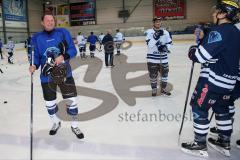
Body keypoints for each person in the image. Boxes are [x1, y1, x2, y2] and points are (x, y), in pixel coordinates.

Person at [181, 1, 240, 157]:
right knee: (222, 109)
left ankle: (199, 144)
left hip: (212, 81)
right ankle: (224, 141)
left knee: (199, 108)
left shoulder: (219, 31)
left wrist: (193, 51)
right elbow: (221, 53)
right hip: (229, 83)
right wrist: (203, 40)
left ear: (223, 13)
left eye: (216, 12)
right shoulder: (236, 32)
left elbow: (201, 56)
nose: (213, 14)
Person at [29, 13, 84, 139]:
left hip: (65, 74)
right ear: (42, 22)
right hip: (46, 77)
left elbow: (73, 50)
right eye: (47, 20)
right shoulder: (37, 37)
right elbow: (35, 56)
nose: (50, 22)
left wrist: (63, 56)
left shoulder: (63, 32)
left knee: (73, 103)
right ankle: (56, 122)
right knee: (50, 105)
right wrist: (34, 66)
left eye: (52, 20)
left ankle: (74, 126)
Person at [145, 17, 172, 97]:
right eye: (156, 22)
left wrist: (166, 48)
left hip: (163, 59)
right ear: (153, 23)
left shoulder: (166, 32)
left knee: (165, 75)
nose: (158, 23)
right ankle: (154, 89)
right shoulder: (149, 32)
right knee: (153, 75)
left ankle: (163, 89)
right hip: (152, 59)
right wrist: (155, 36)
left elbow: (170, 43)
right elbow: (149, 45)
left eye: (159, 22)